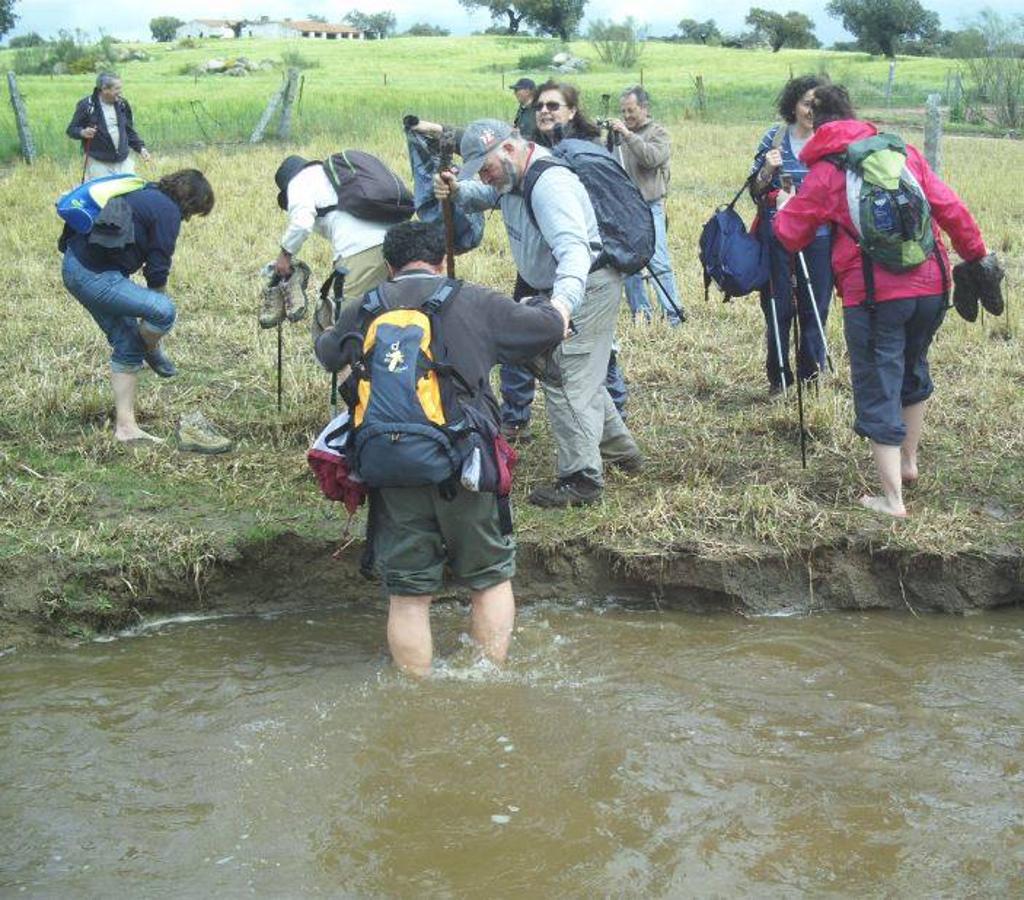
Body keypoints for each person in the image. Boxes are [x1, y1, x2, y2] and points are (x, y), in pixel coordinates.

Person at [314, 222, 567, 676]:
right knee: (489, 579)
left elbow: (329, 355)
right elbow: (545, 329)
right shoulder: (474, 301)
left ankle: (418, 693)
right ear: (443, 261)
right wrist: (558, 310)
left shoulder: (366, 307)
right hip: (465, 464)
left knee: (408, 597)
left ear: (389, 267)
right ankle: (487, 681)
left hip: (389, 465)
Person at [773, 85, 994, 518]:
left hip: (875, 296)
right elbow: (949, 206)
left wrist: (784, 205)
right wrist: (977, 254)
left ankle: (891, 500)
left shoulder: (828, 171)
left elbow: (790, 234)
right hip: (932, 286)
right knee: (912, 367)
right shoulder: (902, 152)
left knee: (878, 381)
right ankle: (908, 464)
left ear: (817, 125)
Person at [436, 120, 643, 508]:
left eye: (487, 167)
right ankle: (618, 449)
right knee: (583, 374)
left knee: (564, 373)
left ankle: (581, 479)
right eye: (478, 170)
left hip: (585, 287)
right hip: (555, 288)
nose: (485, 175)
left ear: (510, 149)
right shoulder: (512, 177)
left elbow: (575, 253)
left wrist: (561, 309)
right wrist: (459, 190)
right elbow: (488, 194)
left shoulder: (550, 186)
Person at [60, 170, 215, 444]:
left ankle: (126, 428)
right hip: (96, 276)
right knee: (164, 311)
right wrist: (154, 308)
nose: (189, 219)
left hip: (74, 265)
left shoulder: (142, 191)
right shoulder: (168, 212)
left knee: (127, 343)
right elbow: (157, 269)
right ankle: (151, 349)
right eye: (194, 213)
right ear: (190, 203)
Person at [751, 75, 834, 394]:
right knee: (777, 306)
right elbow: (755, 189)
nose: (811, 110)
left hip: (820, 235)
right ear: (793, 104)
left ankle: (811, 376)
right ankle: (779, 378)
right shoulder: (775, 136)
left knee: (816, 306)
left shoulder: (830, 140)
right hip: (778, 233)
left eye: (817, 104)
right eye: (805, 103)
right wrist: (768, 170)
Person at [273, 154, 391, 330]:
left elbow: (302, 223)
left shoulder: (299, 182)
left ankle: (349, 356)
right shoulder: (333, 176)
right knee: (389, 313)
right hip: (396, 241)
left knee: (346, 323)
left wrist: (285, 255)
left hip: (361, 250)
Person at [607, 85, 685, 325]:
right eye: (623, 111)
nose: (627, 116)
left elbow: (651, 159)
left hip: (651, 207)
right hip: (626, 210)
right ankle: (642, 315)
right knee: (628, 264)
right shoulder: (619, 136)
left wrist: (628, 136)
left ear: (644, 108)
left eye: (631, 111)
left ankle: (673, 314)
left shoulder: (658, 133)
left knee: (658, 261)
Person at [66, 72, 151, 180]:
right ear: (104, 89)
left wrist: (141, 148)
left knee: (129, 193)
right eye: (117, 89)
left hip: (123, 161)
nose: (120, 92)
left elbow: (128, 130)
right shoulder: (87, 105)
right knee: (104, 195)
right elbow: (71, 129)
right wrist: (82, 132)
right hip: (98, 163)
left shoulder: (122, 104)